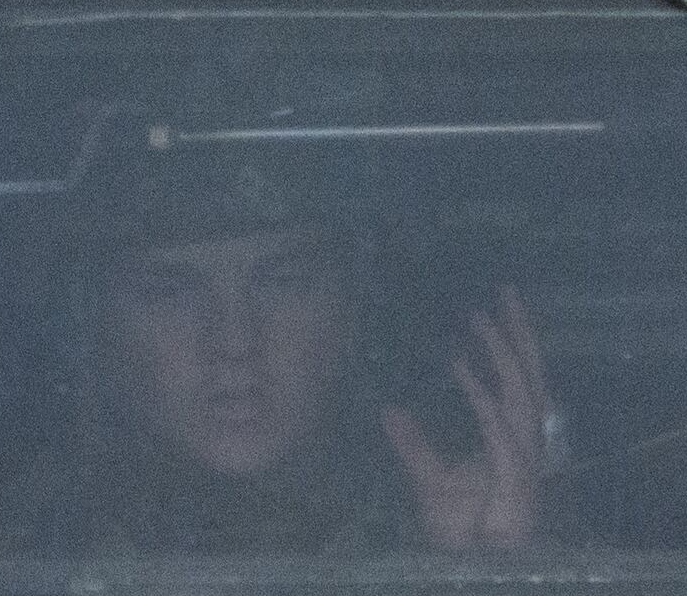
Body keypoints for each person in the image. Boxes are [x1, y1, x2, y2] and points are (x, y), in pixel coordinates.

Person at [85, 189, 553, 558]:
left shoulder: (468, 496)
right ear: (99, 321)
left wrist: (486, 576)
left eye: (282, 281)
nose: (233, 341)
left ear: (351, 309)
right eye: (170, 292)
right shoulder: (26, 549)